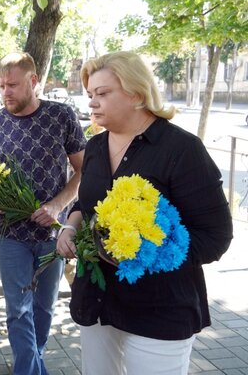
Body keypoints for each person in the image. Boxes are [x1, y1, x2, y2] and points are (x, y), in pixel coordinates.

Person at [56, 51, 233, 374]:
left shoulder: (181, 149)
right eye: (90, 95)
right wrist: (69, 228)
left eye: (103, 93)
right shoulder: (95, 146)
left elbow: (215, 236)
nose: (92, 103)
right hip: (98, 300)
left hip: (160, 308)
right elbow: (87, 204)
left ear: (136, 93)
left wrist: (146, 250)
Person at [0, 52, 86, 374]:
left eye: (12, 84)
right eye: (1, 85)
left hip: (53, 234)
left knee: (43, 307)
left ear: (33, 81)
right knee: (18, 309)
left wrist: (57, 205)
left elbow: (84, 172)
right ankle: (28, 369)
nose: (5, 92)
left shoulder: (62, 116)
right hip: (11, 234)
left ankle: (31, 361)